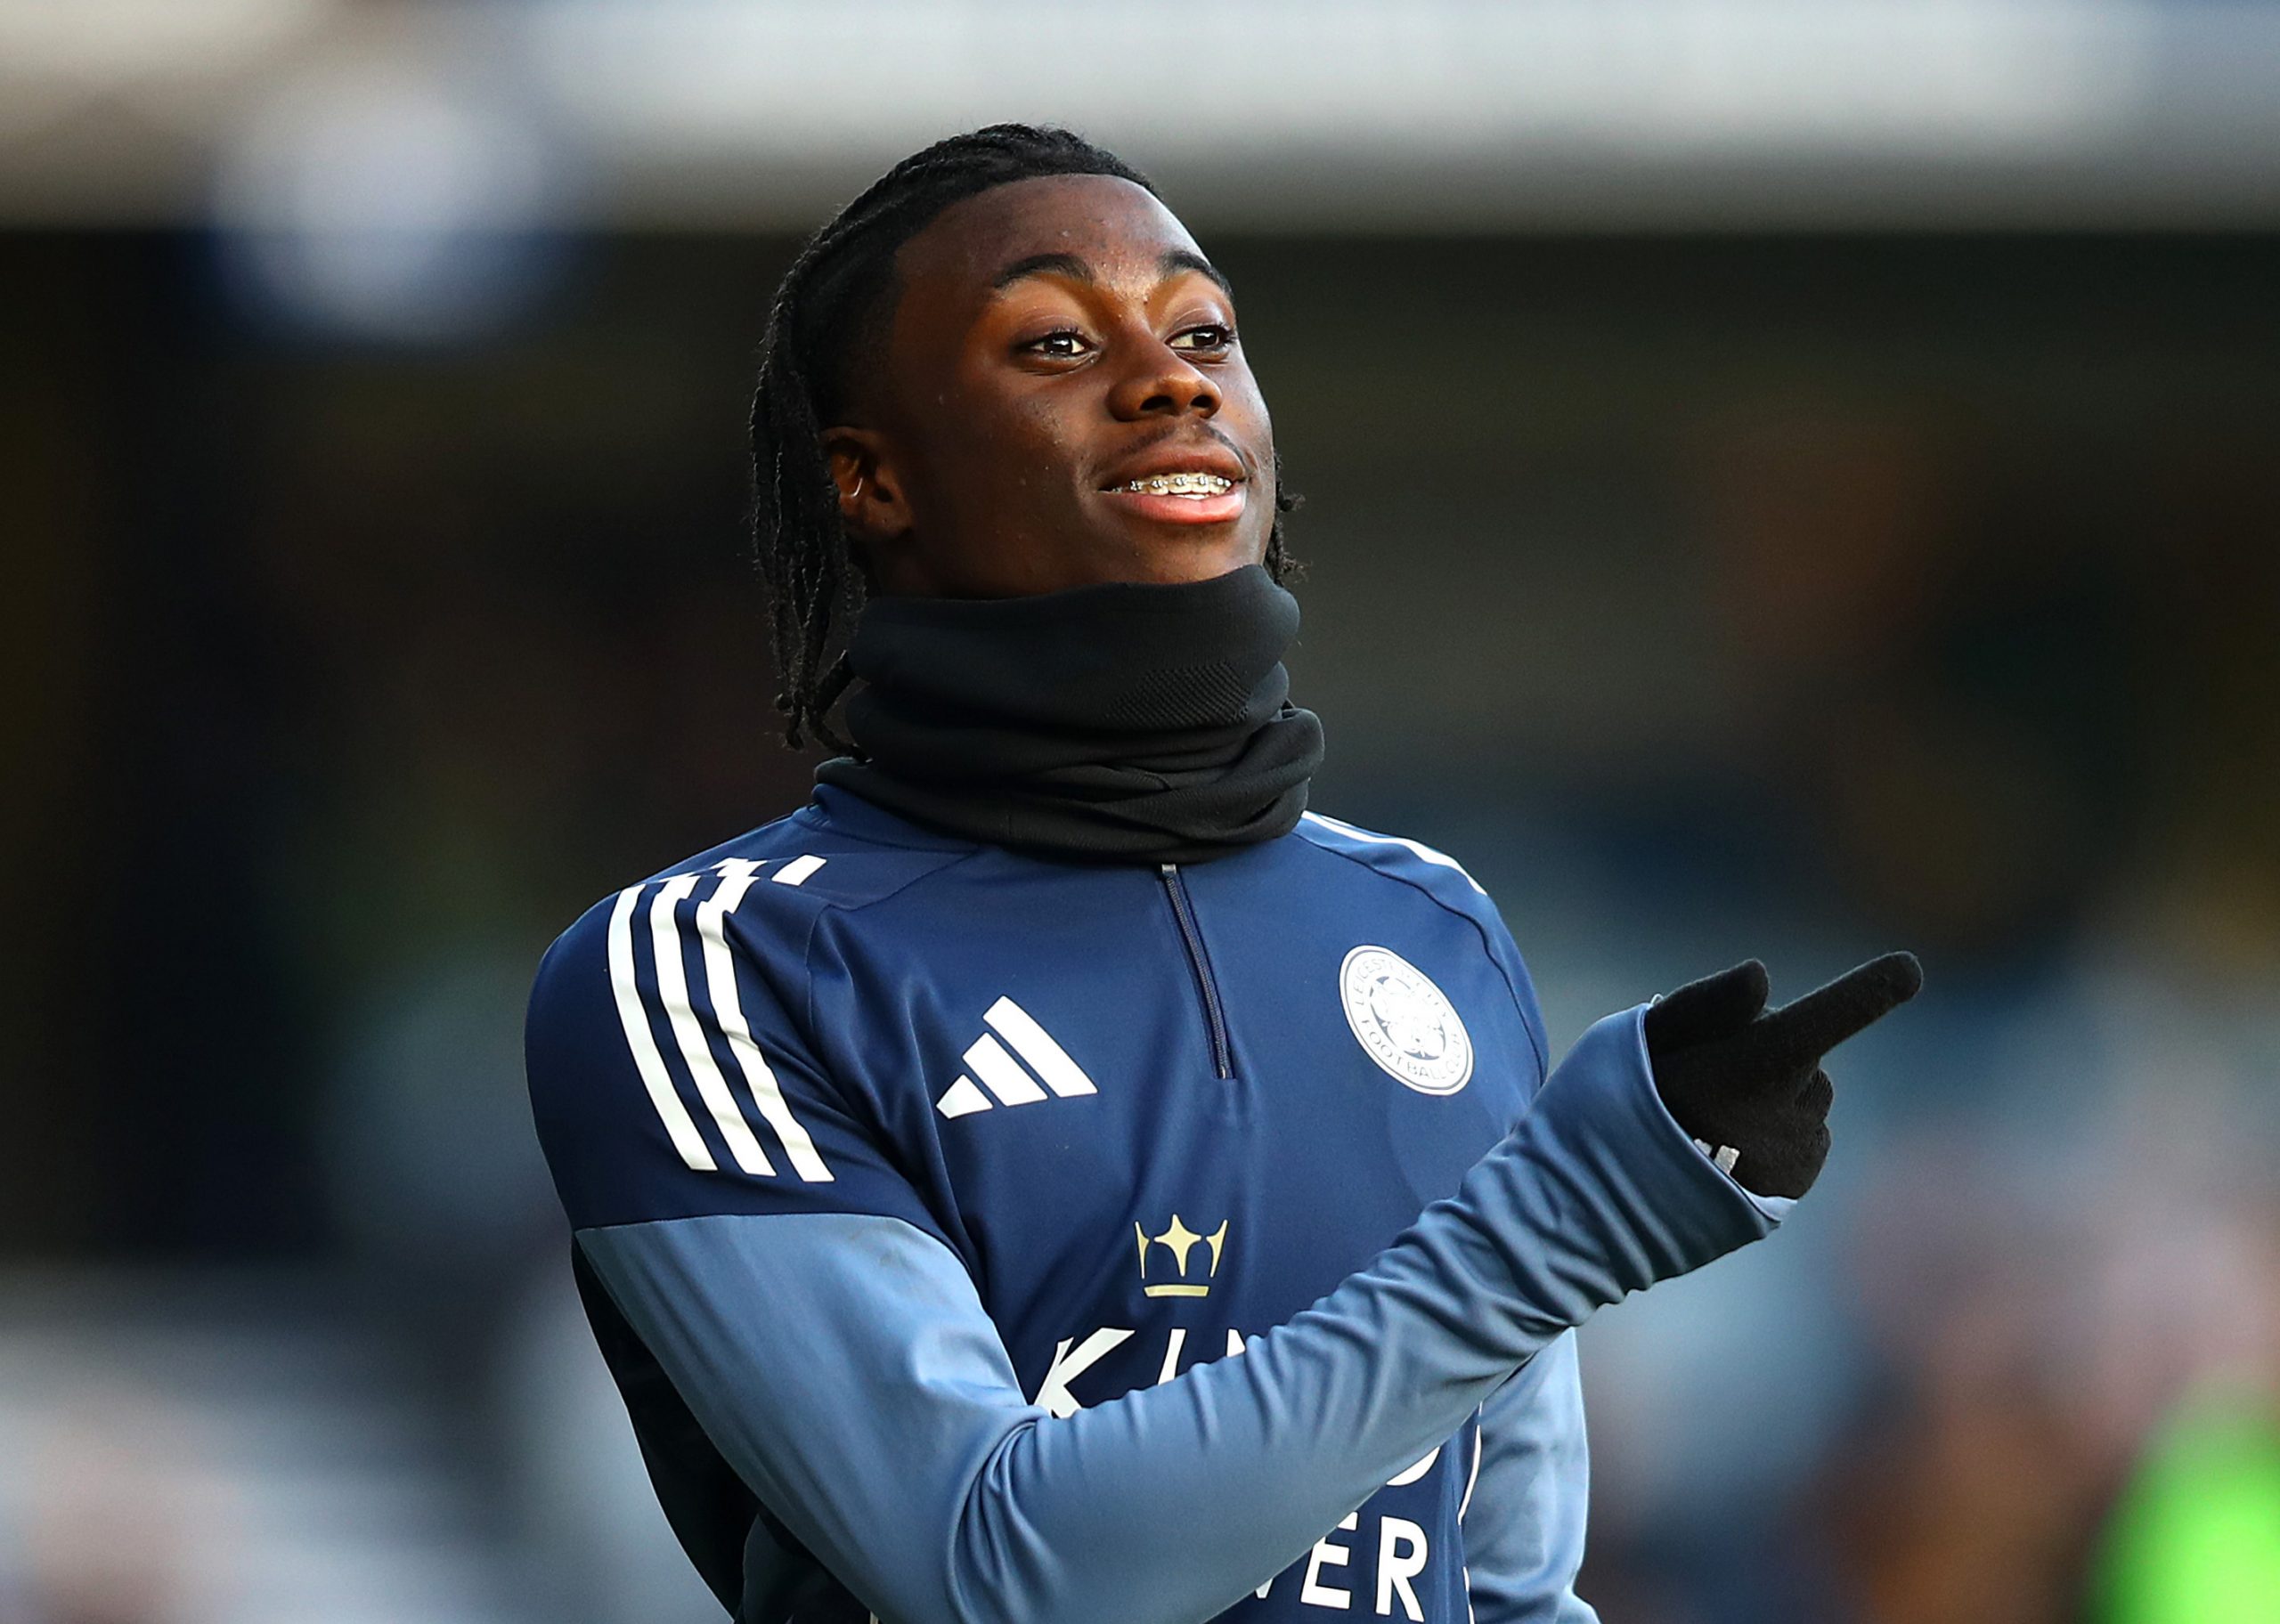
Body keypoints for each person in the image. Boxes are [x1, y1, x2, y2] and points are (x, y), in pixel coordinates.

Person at [523, 124, 1921, 1624]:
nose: (1170, 380)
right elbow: (997, 1574)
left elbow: (1508, 1589)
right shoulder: (713, 968)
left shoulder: (1431, 927)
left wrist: (1557, 1230)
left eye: (1203, 334)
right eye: (1057, 342)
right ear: (870, 480)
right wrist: (1559, 1229)